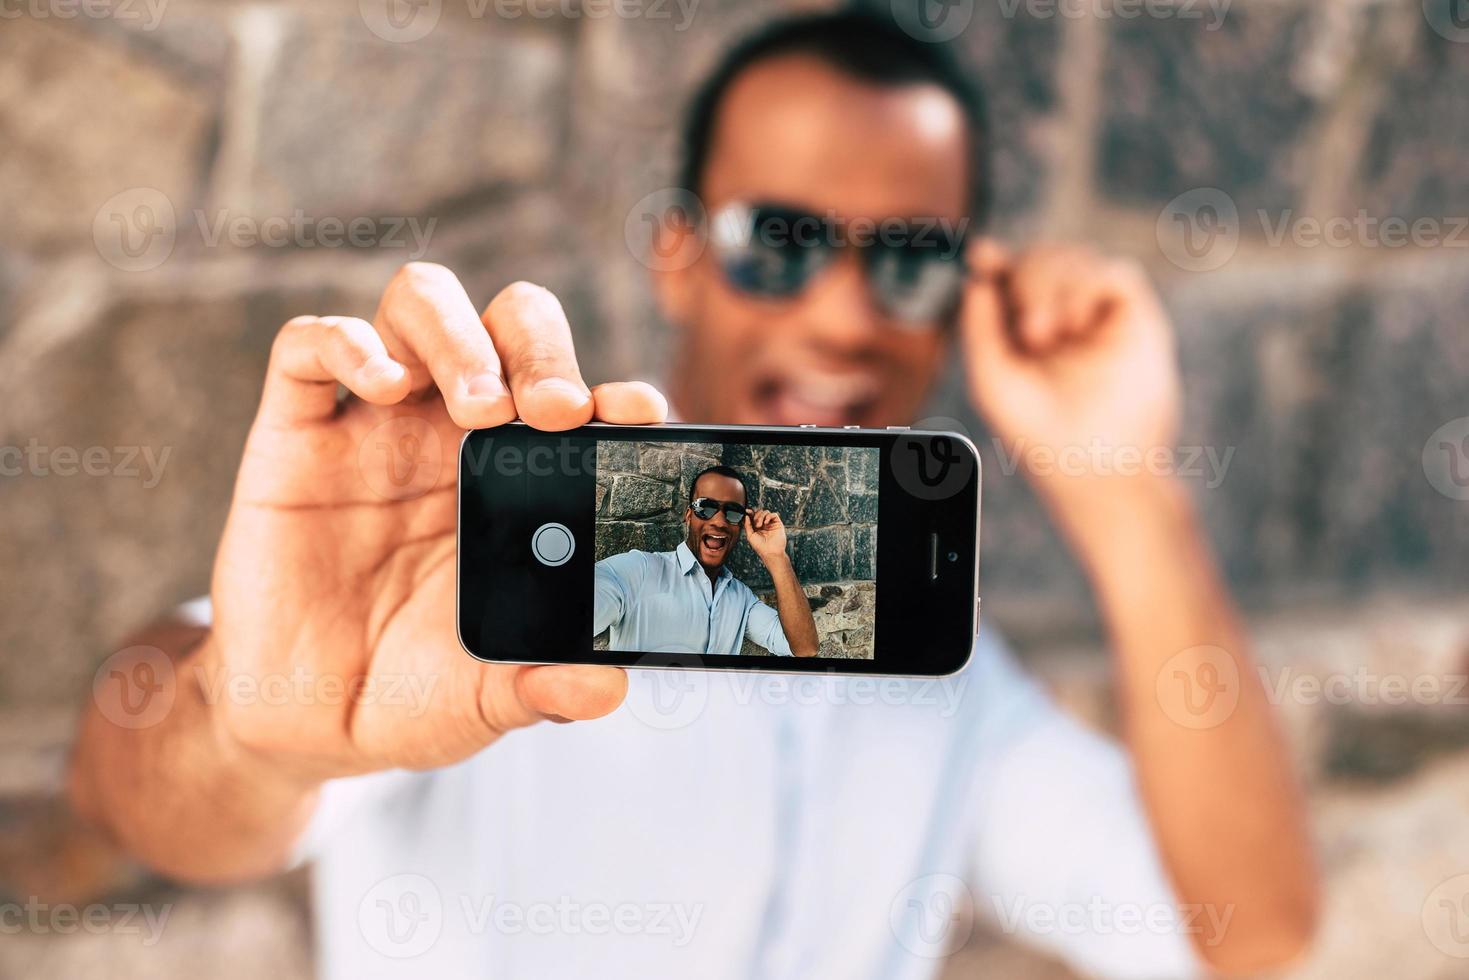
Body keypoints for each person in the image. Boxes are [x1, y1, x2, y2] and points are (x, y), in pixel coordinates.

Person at [68, 11, 1318, 979]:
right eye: (776, 240)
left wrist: (1123, 477)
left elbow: (1241, 933)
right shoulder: (464, 563)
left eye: (910, 263)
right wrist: (249, 724)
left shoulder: (944, 675)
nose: (840, 313)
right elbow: (146, 795)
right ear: (678, 254)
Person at [594, 464, 820, 657]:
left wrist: (777, 557)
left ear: (742, 523)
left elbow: (805, 648)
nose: (720, 521)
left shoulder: (741, 599)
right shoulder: (639, 571)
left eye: (733, 512)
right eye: (706, 507)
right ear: (689, 515)